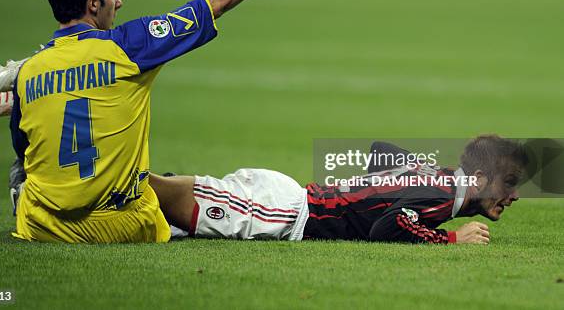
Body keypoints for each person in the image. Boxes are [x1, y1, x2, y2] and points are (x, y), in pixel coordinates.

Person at [0, 0, 293, 244]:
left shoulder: (29, 72)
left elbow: (25, 150)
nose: (118, 3)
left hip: (44, 228)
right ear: (93, 4)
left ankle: (22, 200)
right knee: (156, 189)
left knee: (23, 169)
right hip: (118, 226)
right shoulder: (128, 45)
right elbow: (213, 5)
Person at [149, 135, 528, 244]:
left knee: (169, 217)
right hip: (284, 213)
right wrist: (452, 240)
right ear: (478, 179)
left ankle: (128, 183)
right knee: (169, 199)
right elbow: (387, 227)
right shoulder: (444, 195)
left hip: (283, 199)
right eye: (508, 183)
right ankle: (119, 176)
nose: (513, 196)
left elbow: (381, 150)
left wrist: (377, 191)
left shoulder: (439, 177)